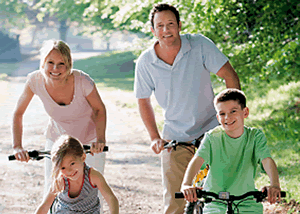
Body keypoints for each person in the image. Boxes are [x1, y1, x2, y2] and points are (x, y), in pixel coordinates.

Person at [134, 3, 240, 213]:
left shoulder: (199, 45)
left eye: (171, 24)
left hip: (211, 130)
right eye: (160, 26)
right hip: (175, 137)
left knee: (224, 196)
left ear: (180, 26)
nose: (166, 30)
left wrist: (232, 119)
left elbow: (229, 75)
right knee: (176, 201)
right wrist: (155, 137)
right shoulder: (146, 62)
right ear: (153, 30)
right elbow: (143, 100)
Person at [12, 40, 107, 212]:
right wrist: (18, 146)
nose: (55, 69)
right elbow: (18, 113)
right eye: (50, 63)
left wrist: (100, 139)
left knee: (92, 191)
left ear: (69, 64)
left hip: (88, 141)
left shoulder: (82, 81)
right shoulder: (35, 80)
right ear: (43, 63)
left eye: (61, 64)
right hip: (57, 141)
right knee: (53, 188)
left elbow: (99, 109)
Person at [181, 88, 281, 213]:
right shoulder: (212, 137)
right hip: (216, 204)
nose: (227, 117)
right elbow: (197, 160)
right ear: (218, 117)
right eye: (222, 114)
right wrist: (186, 184)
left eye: (233, 111)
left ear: (245, 112)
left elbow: (266, 160)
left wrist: (275, 184)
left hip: (247, 204)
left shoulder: (255, 136)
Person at [34, 135, 119, 214]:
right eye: (63, 168)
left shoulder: (93, 176)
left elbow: (111, 198)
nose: (69, 171)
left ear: (83, 157)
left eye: (72, 163)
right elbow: (44, 206)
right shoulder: (60, 181)